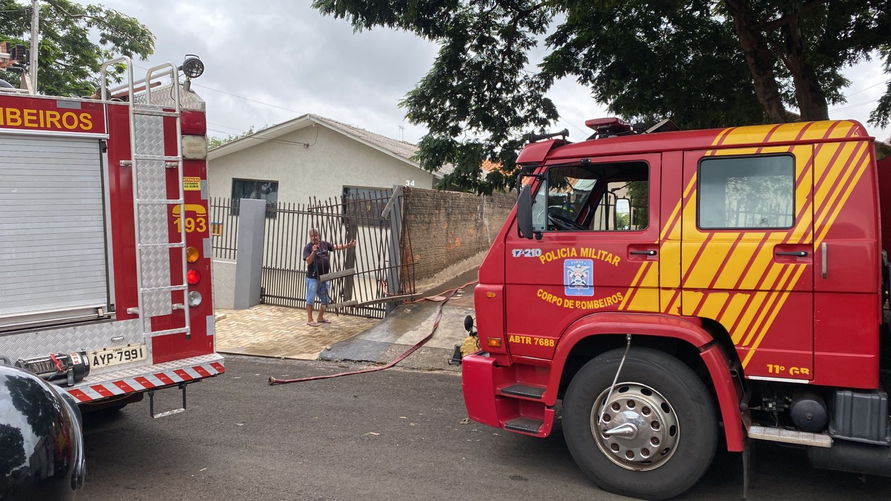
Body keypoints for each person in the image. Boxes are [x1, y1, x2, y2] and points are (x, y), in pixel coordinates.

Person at [303, 228, 355, 326]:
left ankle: (320, 317)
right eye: (312, 236)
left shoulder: (324, 244)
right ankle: (310, 320)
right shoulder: (308, 247)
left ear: (319, 235)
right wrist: (313, 252)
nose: (314, 237)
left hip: (324, 277)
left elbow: (336, 247)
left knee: (325, 300)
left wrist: (348, 245)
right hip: (313, 278)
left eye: (315, 235)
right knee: (310, 299)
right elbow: (308, 261)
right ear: (310, 237)